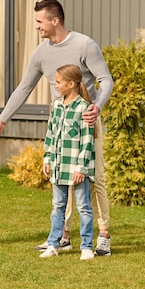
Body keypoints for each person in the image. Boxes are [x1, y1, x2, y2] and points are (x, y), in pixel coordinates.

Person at [0, 0, 114, 256]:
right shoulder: (41, 53)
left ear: (55, 20)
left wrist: (97, 106)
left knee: (93, 179)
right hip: (59, 120)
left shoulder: (84, 45)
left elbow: (105, 79)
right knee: (61, 177)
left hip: (86, 120)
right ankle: (63, 236)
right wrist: (2, 120)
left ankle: (103, 236)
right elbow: (24, 88)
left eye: (39, 21)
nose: (36, 27)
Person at [40, 64, 95, 260]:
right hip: (57, 167)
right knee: (57, 206)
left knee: (83, 208)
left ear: (71, 84)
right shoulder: (56, 105)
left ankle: (86, 246)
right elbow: (51, 133)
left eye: (58, 82)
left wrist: (81, 168)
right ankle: (53, 244)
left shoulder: (84, 108)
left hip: (77, 169)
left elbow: (87, 141)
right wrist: (47, 159)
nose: (55, 86)